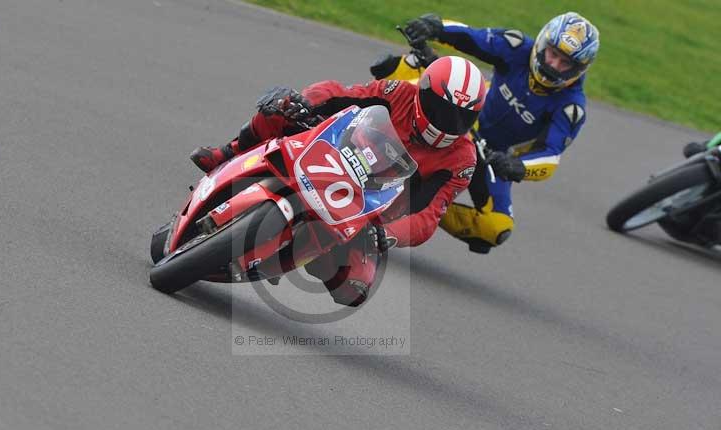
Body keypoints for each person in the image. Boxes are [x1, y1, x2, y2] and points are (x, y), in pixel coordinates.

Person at [189, 56, 485, 306]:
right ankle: (227, 153)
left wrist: (387, 234)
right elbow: (342, 94)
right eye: (442, 109)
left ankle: (309, 254)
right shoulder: (398, 92)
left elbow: (427, 216)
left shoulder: (462, 159)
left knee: (353, 289)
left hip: (366, 213)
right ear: (423, 94)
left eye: (461, 117)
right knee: (282, 107)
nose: (449, 122)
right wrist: (305, 102)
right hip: (332, 158)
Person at [402, 12, 600, 253]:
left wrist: (518, 166)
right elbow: (471, 37)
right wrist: (434, 28)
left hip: (493, 158)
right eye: (553, 54)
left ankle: (426, 206)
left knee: (495, 227)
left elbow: (550, 155)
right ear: (543, 43)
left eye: (565, 63)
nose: (554, 65)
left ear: (579, 69)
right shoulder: (517, 47)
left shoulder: (571, 107)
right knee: (399, 72)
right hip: (463, 120)